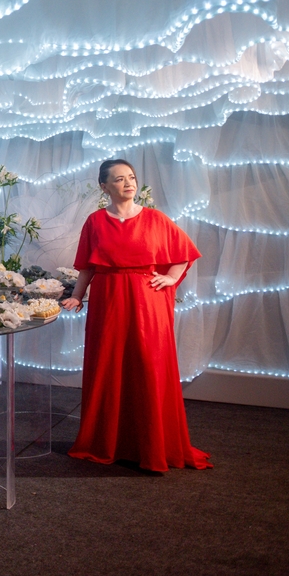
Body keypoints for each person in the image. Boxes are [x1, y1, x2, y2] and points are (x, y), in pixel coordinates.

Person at [60, 159, 212, 472]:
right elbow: (87, 266)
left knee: (148, 368)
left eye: (131, 177)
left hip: (148, 303)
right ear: (104, 187)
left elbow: (185, 252)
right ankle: (109, 442)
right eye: (119, 179)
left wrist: (170, 278)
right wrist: (76, 295)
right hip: (108, 301)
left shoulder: (156, 219)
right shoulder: (95, 222)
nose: (128, 183)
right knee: (108, 366)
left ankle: (152, 445)